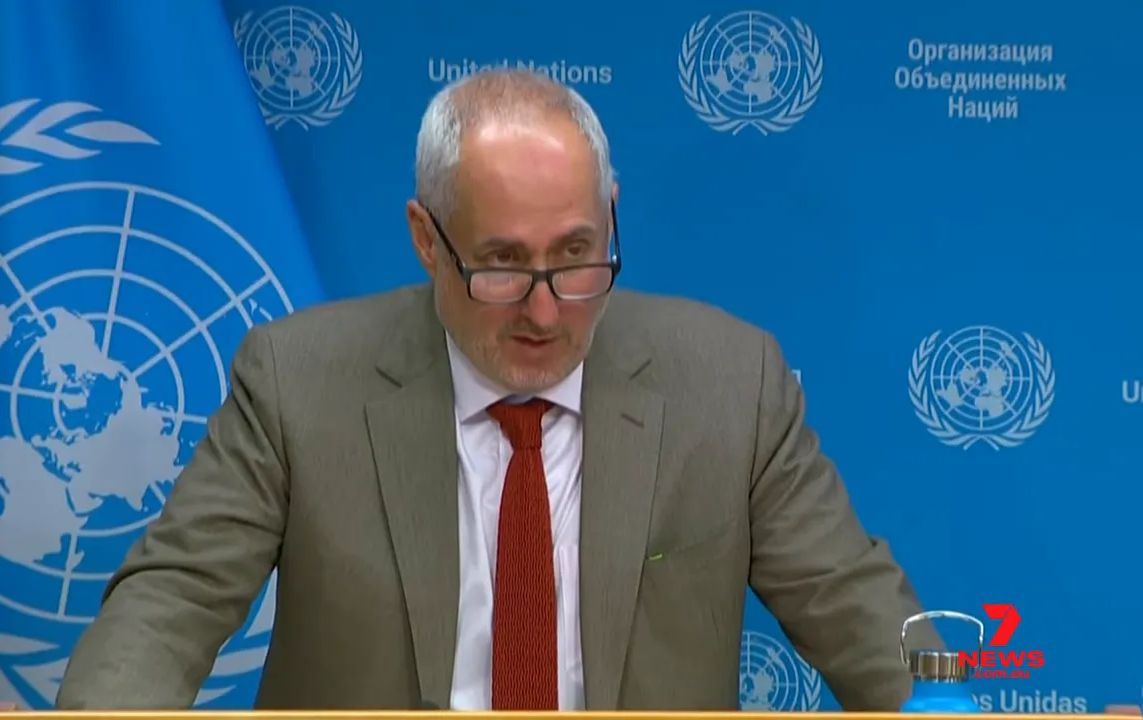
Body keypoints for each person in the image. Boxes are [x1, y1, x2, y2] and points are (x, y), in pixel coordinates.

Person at [56, 69, 934, 711]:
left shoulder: (730, 382)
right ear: (426, 239)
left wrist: (943, 706)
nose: (545, 312)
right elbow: (174, 599)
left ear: (611, 214)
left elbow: (854, 602)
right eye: (503, 265)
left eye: (577, 256)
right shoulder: (297, 381)